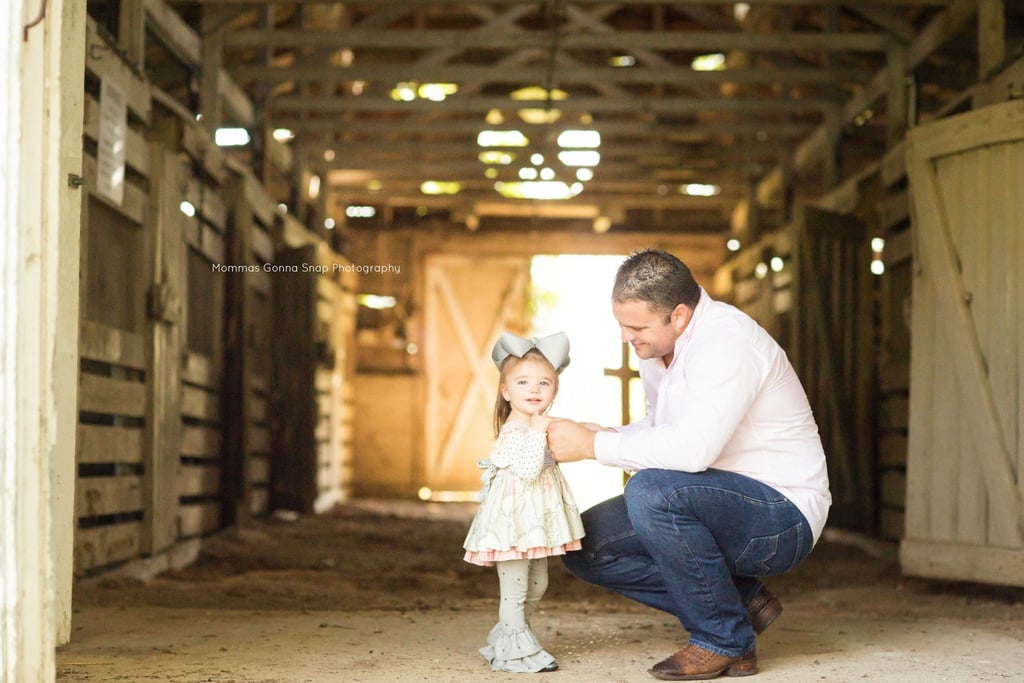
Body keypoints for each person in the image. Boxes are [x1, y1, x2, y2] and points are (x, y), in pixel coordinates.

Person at [546, 249, 831, 681]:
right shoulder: (660, 349)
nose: (627, 337)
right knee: (585, 545)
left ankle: (724, 640)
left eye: (636, 327)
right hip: (717, 499)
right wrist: (606, 432)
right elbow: (666, 427)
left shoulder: (726, 343)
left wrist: (593, 445)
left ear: (678, 315)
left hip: (780, 516)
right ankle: (739, 599)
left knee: (651, 491)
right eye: (621, 324)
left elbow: (692, 450)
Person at [462, 331, 586, 673]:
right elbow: (531, 470)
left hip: (533, 525)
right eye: (523, 382)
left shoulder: (536, 424)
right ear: (506, 391)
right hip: (512, 525)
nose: (534, 390)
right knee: (515, 591)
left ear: (554, 391)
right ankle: (516, 649)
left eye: (544, 383)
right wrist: (539, 429)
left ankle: (507, 636)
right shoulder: (516, 429)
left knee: (538, 584)